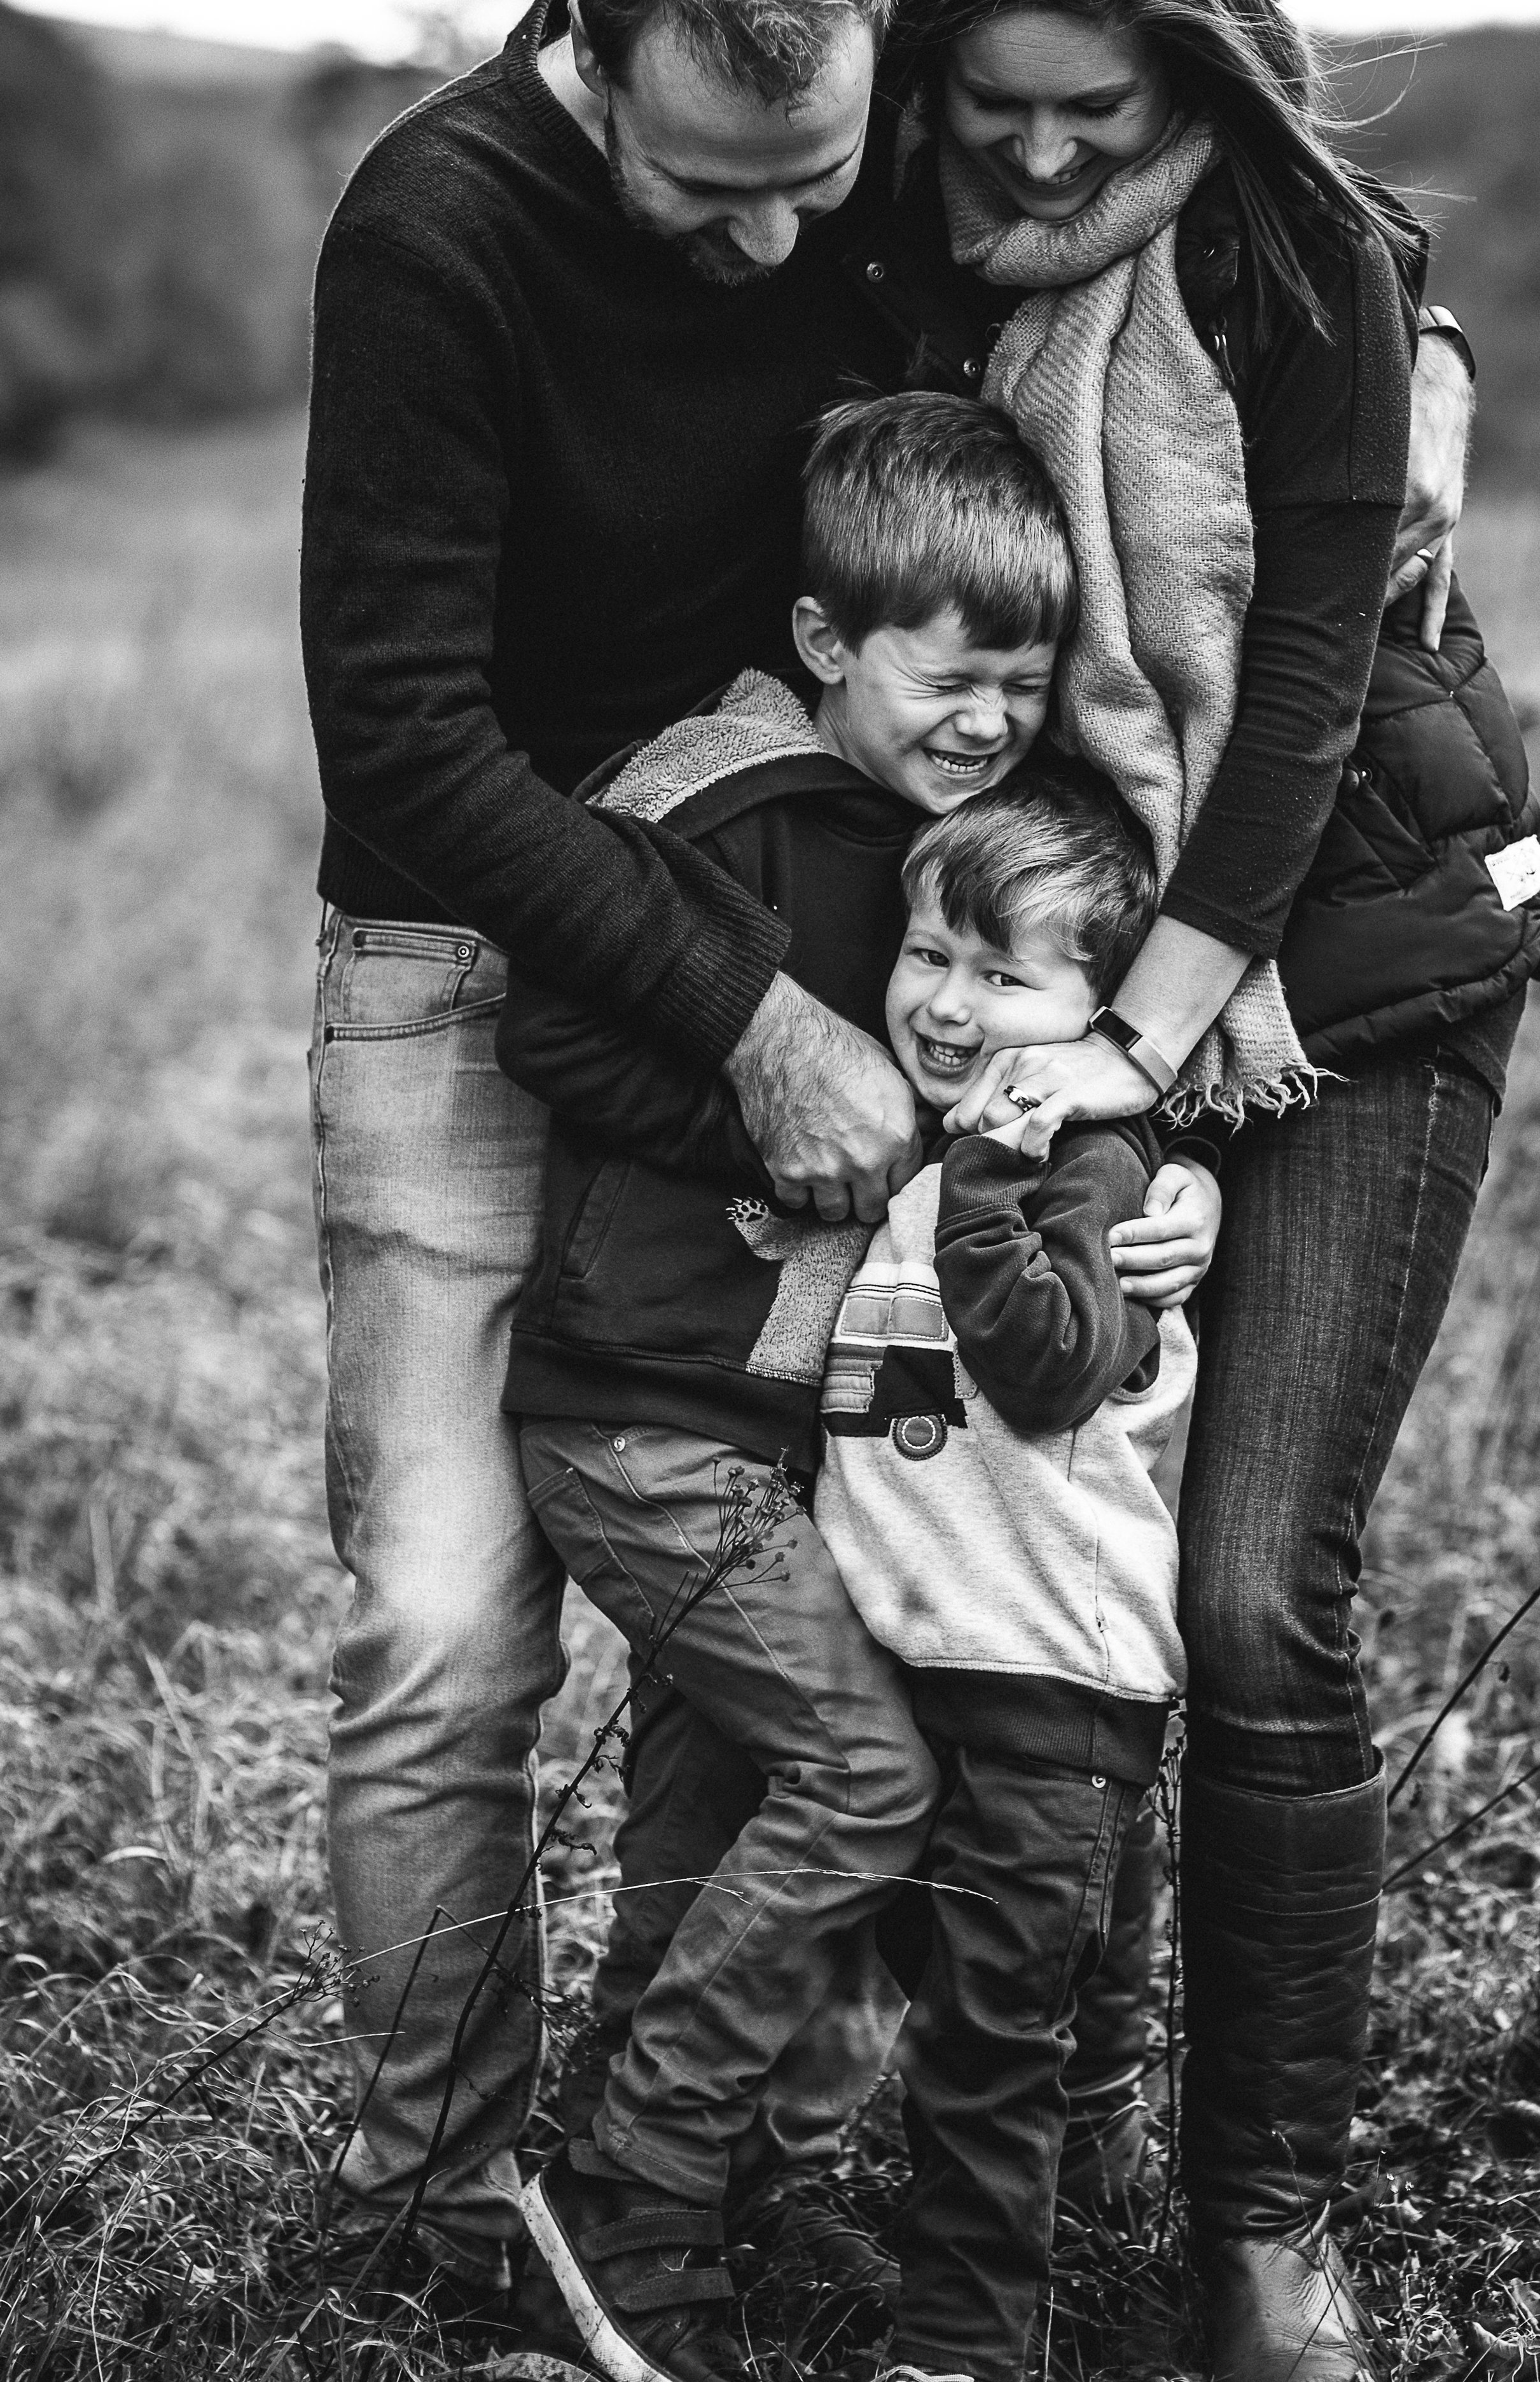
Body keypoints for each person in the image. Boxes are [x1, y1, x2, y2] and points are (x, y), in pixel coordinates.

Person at [298, 0, 1471, 2299]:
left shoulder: (919, 127)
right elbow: (409, 736)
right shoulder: (438, 227)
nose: (770, 239)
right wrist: (759, 1026)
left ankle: (814, 2157)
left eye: (813, 181)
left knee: (875, 1584)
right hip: (508, 937)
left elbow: (1217, 182)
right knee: (453, 1635)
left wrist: (1411, 343)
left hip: (846, 898)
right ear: (592, 36)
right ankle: (452, 2218)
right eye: (703, 183)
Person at [878, 4, 1535, 2376]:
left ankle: (1260, 2222)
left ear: (1207, 90)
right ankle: (1063, 2089)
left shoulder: (1306, 264)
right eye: (996, 110)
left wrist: (1129, 1056)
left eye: (1105, 115)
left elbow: (1300, 706)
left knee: (1256, 1587)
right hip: (1085, 968)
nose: (1044, 155)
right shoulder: (898, 246)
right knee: (1078, 1545)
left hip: (1332, 961)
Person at [496, 391, 1127, 2382]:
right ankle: (632, 2183)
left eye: (1024, 682)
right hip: (648, 1409)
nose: (988, 716)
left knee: (713, 1804)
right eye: (954, 673)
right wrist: (765, 1113)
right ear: (829, 636)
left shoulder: (949, 853)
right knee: (864, 1772)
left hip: (776, 1431)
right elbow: (556, 1039)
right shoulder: (723, 806)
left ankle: (667, 2193)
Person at [812, 777, 1193, 2382]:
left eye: (1001, 974)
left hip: (1051, 1672)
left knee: (979, 2049)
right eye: (924, 954)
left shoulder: (1081, 1167)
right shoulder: (913, 1147)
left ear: (1097, 1017)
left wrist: (990, 1173)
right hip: (940, 1659)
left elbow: (1043, 1368)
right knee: (1003, 1977)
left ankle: (962, 2347)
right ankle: (1109, 2122)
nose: (947, 1003)